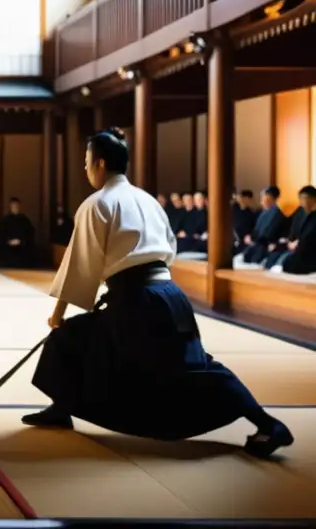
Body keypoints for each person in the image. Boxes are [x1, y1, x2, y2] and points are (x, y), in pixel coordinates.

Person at [22, 127, 293, 459]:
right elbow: (170, 248)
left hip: (135, 302)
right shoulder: (147, 200)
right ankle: (266, 422)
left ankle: (62, 408)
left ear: (100, 163)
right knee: (196, 366)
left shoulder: (98, 204)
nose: (85, 168)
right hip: (169, 295)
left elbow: (78, 264)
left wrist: (58, 316)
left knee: (68, 338)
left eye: (86, 161)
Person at [267, 186, 316, 275]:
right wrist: (288, 240)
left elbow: (311, 236)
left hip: (308, 251)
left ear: (313, 199)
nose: (301, 202)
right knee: (274, 254)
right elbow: (290, 226)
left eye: (304, 199)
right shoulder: (300, 211)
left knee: (292, 262)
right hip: (295, 246)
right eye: (300, 199)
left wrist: (299, 243)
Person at [240, 187, 289, 265]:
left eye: (265, 199)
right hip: (258, 244)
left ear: (272, 199)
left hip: (267, 246)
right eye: (262, 199)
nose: (262, 202)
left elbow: (268, 235)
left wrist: (254, 239)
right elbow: (256, 230)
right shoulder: (263, 213)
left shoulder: (277, 214)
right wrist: (250, 236)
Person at [0, 197, 36, 267]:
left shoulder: (25, 220)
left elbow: (29, 234)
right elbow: (1, 234)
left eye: (16, 206)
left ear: (19, 207)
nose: (15, 208)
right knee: (1, 247)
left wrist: (21, 241)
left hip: (21, 246)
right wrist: (8, 241)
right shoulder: (5, 220)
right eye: (13, 206)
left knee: (28, 249)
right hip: (8, 245)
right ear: (10, 207)